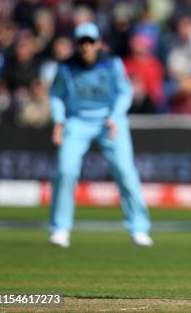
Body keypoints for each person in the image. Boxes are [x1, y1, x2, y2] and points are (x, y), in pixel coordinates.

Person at [48, 22, 152, 248]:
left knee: (126, 172)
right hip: (77, 121)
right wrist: (59, 121)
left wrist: (115, 116)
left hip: (110, 122)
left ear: (99, 43)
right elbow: (56, 94)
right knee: (65, 171)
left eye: (90, 42)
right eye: (82, 42)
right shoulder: (66, 67)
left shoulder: (112, 63)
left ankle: (139, 228)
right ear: (76, 44)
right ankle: (60, 228)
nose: (86, 47)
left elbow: (125, 91)